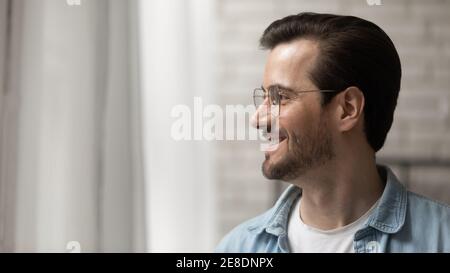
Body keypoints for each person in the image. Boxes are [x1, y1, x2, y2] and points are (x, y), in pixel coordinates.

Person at [215, 12, 450, 253]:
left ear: (348, 109)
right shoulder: (237, 248)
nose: (257, 119)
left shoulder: (442, 240)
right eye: (264, 97)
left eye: (280, 98)